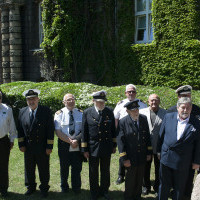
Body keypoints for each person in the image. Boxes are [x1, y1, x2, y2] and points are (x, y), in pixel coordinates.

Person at [157, 97, 200, 200]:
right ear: (177, 107)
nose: (185, 110)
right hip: (166, 157)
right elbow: (160, 135)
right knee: (164, 185)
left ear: (191, 109)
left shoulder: (197, 123)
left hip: (183, 161)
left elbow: (199, 144)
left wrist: (197, 161)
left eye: (188, 108)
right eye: (183, 107)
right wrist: (159, 151)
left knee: (179, 187)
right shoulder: (168, 117)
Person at [17, 89, 54, 198]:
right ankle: (30, 187)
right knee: (29, 168)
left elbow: (50, 130)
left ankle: (44, 188)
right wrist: (21, 144)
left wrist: (49, 146)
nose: (31, 101)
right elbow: (19, 130)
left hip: (42, 146)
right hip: (28, 146)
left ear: (38, 99)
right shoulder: (22, 111)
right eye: (29, 99)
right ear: (26, 101)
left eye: (33, 99)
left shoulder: (46, 111)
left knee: (43, 168)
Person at [81, 90, 116, 200]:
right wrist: (84, 149)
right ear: (93, 101)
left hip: (106, 146)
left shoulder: (109, 111)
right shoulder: (87, 112)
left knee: (105, 170)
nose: (101, 104)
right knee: (93, 171)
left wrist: (114, 145)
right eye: (99, 102)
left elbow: (113, 130)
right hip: (92, 147)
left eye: (103, 102)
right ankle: (94, 192)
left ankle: (105, 190)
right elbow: (84, 131)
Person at [167, 85, 200, 199]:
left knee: (188, 175)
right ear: (178, 97)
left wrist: (197, 159)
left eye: (188, 95)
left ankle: (186, 193)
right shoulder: (171, 110)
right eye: (183, 96)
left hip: (190, 152)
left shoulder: (197, 110)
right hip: (174, 153)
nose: (186, 98)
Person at [117, 100, 152, 200]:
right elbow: (121, 141)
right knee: (131, 179)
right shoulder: (123, 122)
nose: (136, 112)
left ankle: (137, 196)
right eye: (133, 110)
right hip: (130, 156)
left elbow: (147, 136)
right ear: (128, 111)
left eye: (137, 109)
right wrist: (124, 158)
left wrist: (149, 152)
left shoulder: (143, 119)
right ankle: (128, 196)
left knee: (140, 177)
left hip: (142, 154)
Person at [114, 84, 147, 185]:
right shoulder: (120, 104)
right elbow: (116, 118)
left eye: (133, 91)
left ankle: (139, 178)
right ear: (125, 93)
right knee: (123, 156)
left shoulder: (142, 104)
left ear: (136, 93)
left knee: (138, 157)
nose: (131, 93)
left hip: (138, 134)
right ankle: (121, 175)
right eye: (129, 92)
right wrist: (118, 133)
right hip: (125, 133)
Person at [54, 93, 83, 194]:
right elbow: (58, 131)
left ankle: (76, 187)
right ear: (64, 102)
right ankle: (64, 187)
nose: (71, 101)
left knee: (77, 167)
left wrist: (76, 141)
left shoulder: (81, 113)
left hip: (77, 144)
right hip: (64, 144)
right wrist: (70, 141)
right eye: (68, 100)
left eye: (72, 99)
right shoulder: (59, 114)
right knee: (64, 167)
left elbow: (84, 130)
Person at [139, 94, 166, 196]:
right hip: (145, 145)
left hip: (159, 145)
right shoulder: (142, 112)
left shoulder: (165, 113)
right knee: (145, 167)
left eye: (156, 100)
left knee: (159, 168)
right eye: (152, 100)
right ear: (148, 101)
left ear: (159, 101)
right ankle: (145, 186)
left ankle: (157, 187)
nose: (154, 102)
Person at [0, 91, 17, 197]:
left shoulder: (7, 109)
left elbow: (12, 125)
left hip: (3, 141)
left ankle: (4, 189)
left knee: (3, 166)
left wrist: (12, 140)